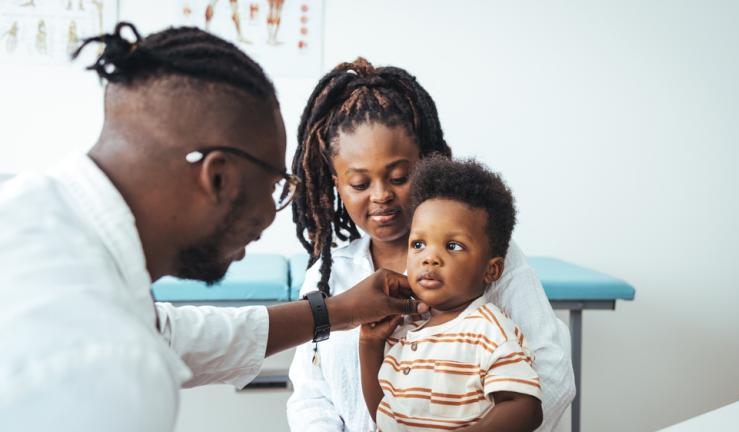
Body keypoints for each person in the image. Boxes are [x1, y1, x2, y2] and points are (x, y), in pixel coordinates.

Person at [0, 23, 425, 432]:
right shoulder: (111, 363)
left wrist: (337, 312)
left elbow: (172, 335)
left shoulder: (32, 218)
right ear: (218, 177)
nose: (272, 212)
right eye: (276, 186)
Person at [287, 58, 575, 431]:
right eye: (360, 184)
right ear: (335, 185)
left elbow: (550, 372)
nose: (381, 196)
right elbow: (311, 397)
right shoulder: (328, 278)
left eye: (399, 177)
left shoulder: (482, 257)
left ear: (426, 163)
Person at [360, 156, 542, 431]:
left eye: (453, 246)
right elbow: (383, 414)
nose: (430, 258)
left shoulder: (488, 331)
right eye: (419, 243)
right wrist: (369, 345)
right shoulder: (404, 330)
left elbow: (525, 407)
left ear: (491, 270)